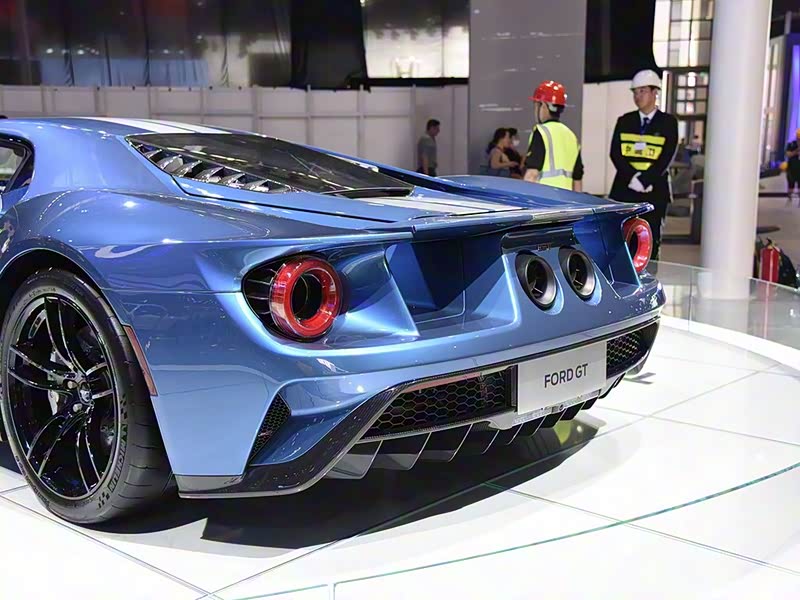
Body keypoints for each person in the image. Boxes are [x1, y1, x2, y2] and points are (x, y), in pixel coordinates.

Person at [609, 69, 678, 261]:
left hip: (654, 191)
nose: (637, 96)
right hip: (626, 189)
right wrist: (633, 178)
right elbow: (615, 153)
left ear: (655, 92)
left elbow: (667, 156)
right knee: (622, 238)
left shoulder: (668, 123)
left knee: (651, 239)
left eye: (642, 91)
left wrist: (646, 179)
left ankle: (649, 273)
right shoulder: (624, 121)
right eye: (635, 92)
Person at [523, 80, 584, 191]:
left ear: (543, 106)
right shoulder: (571, 136)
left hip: (543, 197)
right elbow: (577, 180)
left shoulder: (541, 132)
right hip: (566, 199)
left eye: (536, 104)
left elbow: (532, 174)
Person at [785, 128, 800, 205]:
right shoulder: (791, 144)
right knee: (791, 184)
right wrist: (796, 151)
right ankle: (789, 198)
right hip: (792, 168)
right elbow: (788, 154)